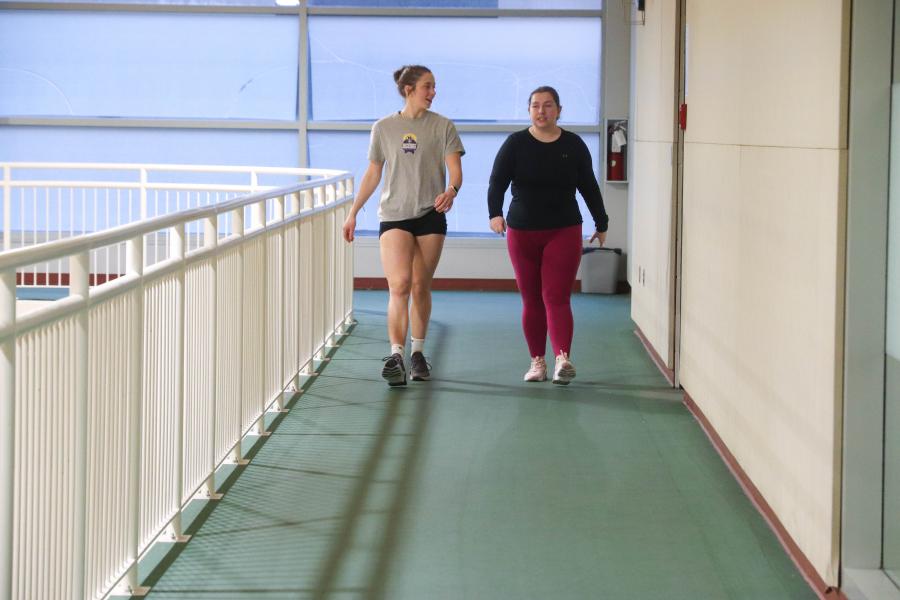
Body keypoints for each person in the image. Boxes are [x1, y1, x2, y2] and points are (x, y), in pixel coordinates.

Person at [342, 65, 464, 386]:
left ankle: (418, 354)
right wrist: (354, 211)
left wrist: (451, 191)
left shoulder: (443, 126)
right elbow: (373, 174)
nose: (433, 92)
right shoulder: (383, 128)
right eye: (427, 86)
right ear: (409, 89)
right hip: (394, 214)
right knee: (399, 284)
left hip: (430, 215)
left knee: (421, 285)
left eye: (434, 86)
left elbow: (456, 171)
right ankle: (396, 355)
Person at [487, 85, 608, 385]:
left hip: (563, 229)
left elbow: (589, 186)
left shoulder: (574, 144)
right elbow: (497, 182)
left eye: (549, 105)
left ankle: (562, 359)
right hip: (522, 231)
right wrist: (495, 214)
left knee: (556, 296)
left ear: (559, 110)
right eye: (536, 106)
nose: (542, 111)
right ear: (529, 110)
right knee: (531, 299)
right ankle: (537, 362)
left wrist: (601, 222)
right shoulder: (515, 144)